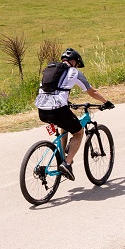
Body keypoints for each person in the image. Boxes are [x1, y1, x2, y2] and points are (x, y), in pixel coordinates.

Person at [34, 48, 113, 181]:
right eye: (77, 63)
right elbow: (92, 92)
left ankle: (62, 158)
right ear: (74, 62)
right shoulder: (74, 72)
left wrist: (66, 101)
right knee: (78, 132)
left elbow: (53, 90)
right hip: (57, 109)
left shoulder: (52, 70)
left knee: (64, 125)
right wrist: (106, 102)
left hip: (42, 109)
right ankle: (67, 163)